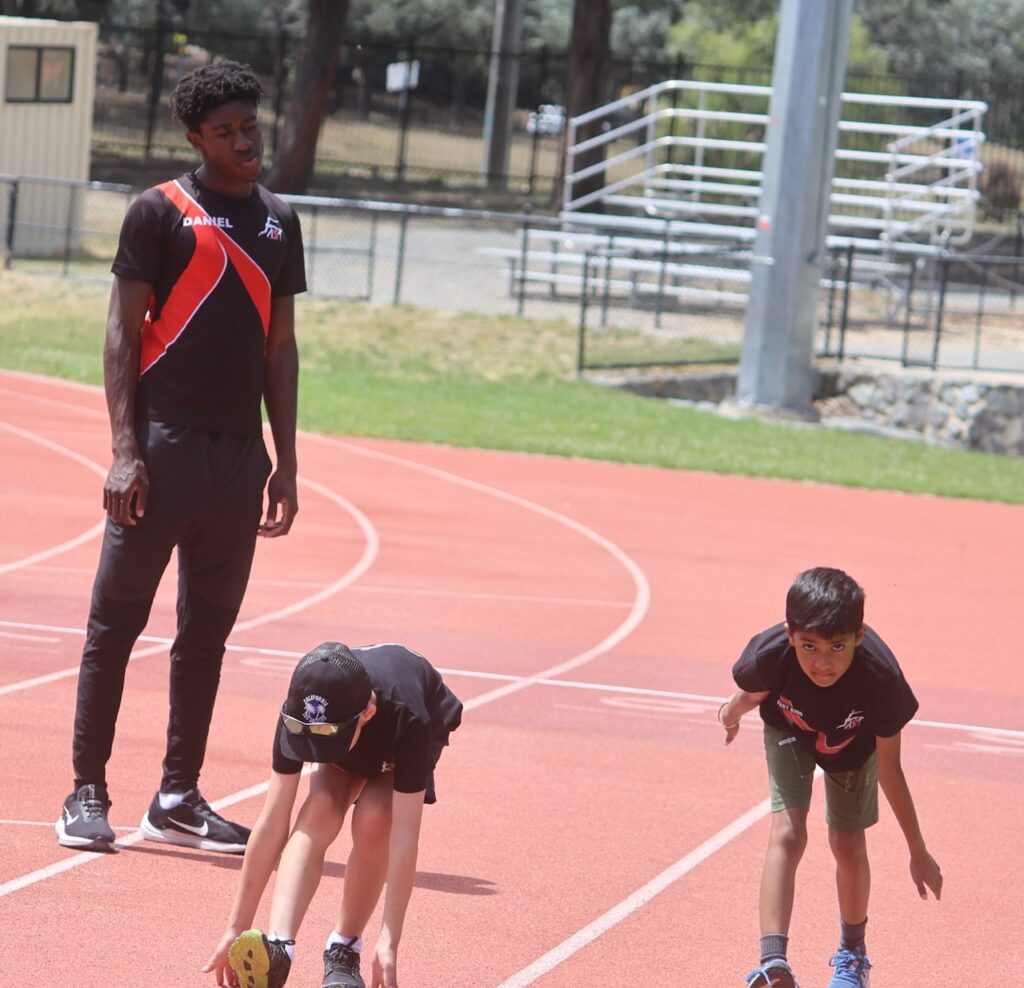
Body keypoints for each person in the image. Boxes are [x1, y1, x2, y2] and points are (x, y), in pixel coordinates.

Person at [55, 60, 305, 854]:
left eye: (251, 127)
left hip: (239, 460)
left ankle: (177, 794)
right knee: (115, 624)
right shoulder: (157, 212)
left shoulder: (278, 221)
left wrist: (286, 461)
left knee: (207, 637)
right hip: (161, 453)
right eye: (226, 132)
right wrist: (124, 450)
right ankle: (85, 790)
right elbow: (122, 333)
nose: (244, 142)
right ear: (195, 137)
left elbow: (281, 348)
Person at [719, 567, 942, 988]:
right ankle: (773, 963)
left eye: (837, 647)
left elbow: (891, 770)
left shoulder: (881, 679)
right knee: (787, 831)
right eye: (809, 647)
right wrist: (728, 713)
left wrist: (918, 849)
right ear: (790, 634)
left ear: (859, 635)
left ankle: (852, 955)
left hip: (852, 749)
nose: (822, 663)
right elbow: (754, 693)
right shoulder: (771, 653)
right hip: (789, 730)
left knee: (846, 841)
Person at [202, 640, 463, 988]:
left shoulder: (409, 716)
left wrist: (390, 940)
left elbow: (404, 836)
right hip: (346, 731)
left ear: (366, 714)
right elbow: (273, 821)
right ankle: (279, 948)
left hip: (397, 736)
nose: (312, 746)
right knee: (320, 810)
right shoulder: (299, 716)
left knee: (376, 815)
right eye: (306, 734)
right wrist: (237, 926)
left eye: (322, 737)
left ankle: (345, 948)